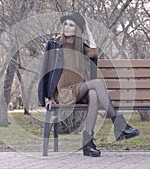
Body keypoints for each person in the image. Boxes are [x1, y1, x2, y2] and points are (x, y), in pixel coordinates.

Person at [38, 12, 139, 157]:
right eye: (65, 24)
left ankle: (88, 144)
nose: (67, 27)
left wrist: (88, 30)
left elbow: (94, 53)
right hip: (64, 92)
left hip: (80, 88)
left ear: (77, 29)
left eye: (71, 25)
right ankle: (118, 124)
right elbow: (45, 71)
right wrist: (47, 97)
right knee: (97, 83)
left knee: (93, 94)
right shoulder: (54, 44)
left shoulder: (81, 46)